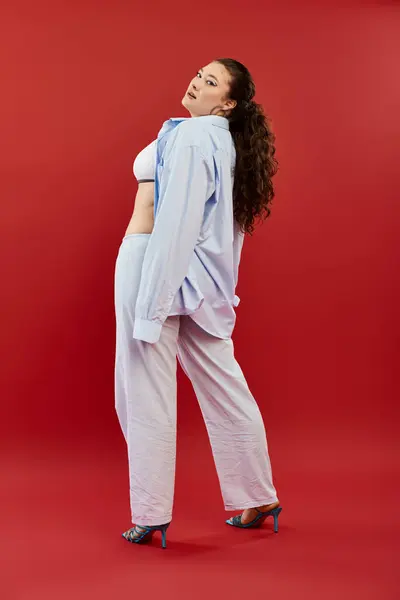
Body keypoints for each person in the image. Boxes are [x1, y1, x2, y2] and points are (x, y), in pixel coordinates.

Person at [114, 58, 281, 549]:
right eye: (200, 74)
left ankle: (150, 513)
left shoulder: (193, 137)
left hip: (153, 264)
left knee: (143, 387)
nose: (196, 81)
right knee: (224, 385)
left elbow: (177, 222)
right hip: (197, 278)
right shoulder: (226, 143)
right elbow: (225, 232)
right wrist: (215, 287)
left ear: (227, 103)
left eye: (211, 82)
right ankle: (259, 495)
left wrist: (152, 302)